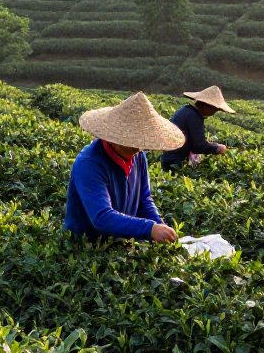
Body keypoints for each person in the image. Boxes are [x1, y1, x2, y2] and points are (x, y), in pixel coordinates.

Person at [65, 92, 184, 243]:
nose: (138, 147)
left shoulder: (138, 156)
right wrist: (149, 229)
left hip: (121, 242)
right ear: (115, 136)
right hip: (86, 249)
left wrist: (158, 224)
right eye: (132, 141)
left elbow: (144, 198)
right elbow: (102, 217)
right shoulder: (89, 163)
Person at [160, 85, 235, 171]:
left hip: (168, 158)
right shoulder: (194, 117)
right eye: (214, 109)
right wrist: (217, 148)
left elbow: (192, 140)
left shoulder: (187, 110)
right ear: (206, 105)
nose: (214, 112)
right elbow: (198, 147)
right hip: (174, 161)